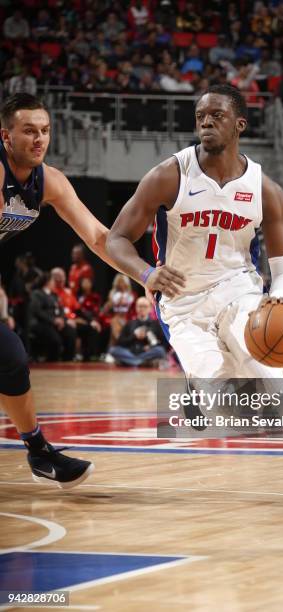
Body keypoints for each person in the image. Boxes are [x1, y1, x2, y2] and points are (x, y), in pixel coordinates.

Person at [107, 84, 283, 509]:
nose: (206, 122)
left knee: (274, 381)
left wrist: (277, 301)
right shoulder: (170, 175)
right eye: (200, 117)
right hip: (183, 302)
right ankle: (198, 387)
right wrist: (146, 272)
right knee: (223, 402)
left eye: (217, 116)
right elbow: (117, 239)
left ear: (239, 124)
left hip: (238, 292)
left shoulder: (265, 189)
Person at [0, 93, 120, 488]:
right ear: (5, 136)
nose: (39, 139)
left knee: (12, 359)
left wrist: (146, 277)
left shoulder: (49, 181)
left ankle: (39, 454)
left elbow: (99, 238)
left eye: (45, 131)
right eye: (29, 131)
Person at [108, 296, 167, 367]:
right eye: (140, 306)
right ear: (136, 308)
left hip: (147, 352)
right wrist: (134, 336)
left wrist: (150, 346)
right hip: (131, 351)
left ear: (150, 308)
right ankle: (141, 362)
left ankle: (131, 362)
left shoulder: (156, 324)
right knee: (113, 350)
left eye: (145, 306)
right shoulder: (130, 323)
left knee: (160, 350)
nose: (142, 309)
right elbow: (120, 342)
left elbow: (164, 343)